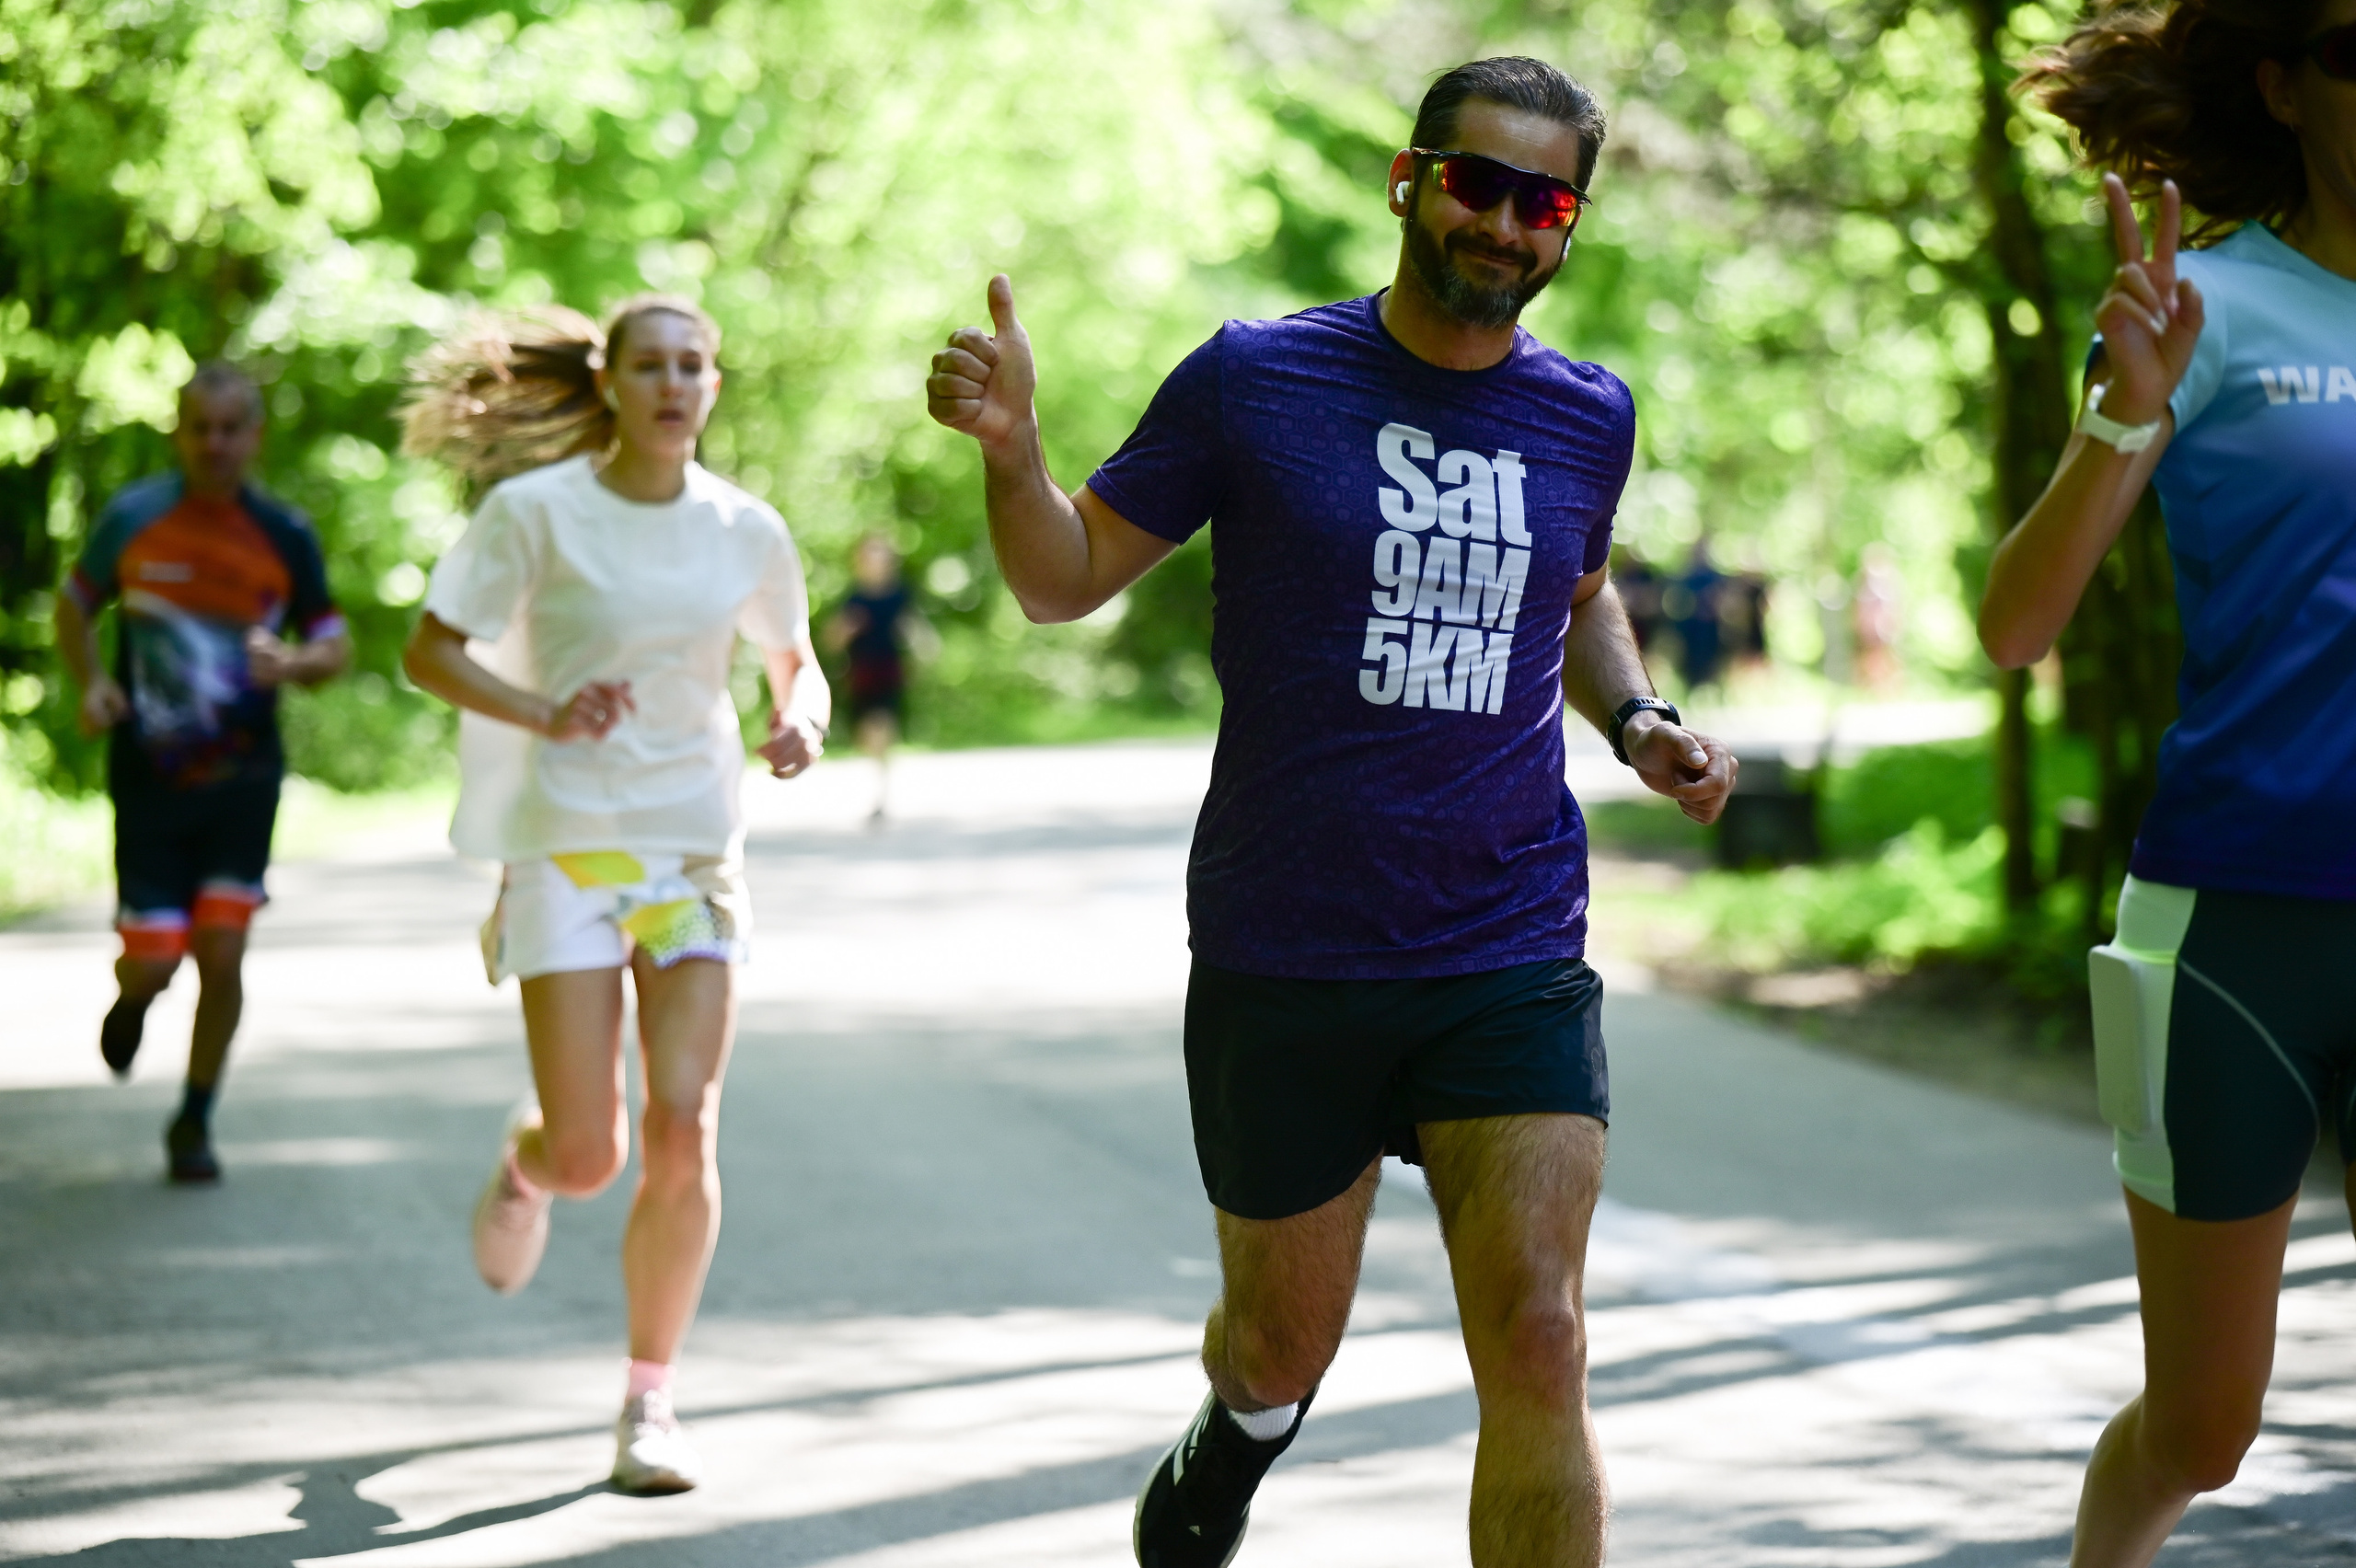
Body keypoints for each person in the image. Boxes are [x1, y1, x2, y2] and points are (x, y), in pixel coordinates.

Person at [927, 55, 1737, 1568]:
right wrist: (1013, 452)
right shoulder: (1255, 380)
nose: (1505, 222)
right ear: (1411, 183)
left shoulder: (1587, 415)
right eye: (1477, 184)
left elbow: (1576, 591)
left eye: (1544, 202)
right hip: (1286, 945)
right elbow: (1060, 576)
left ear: (1569, 225)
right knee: (1280, 1344)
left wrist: (1638, 717)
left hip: (1505, 939)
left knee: (1543, 1332)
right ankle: (1240, 1428)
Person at [1986, 5, 2355, 1563]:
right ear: (2282, 85)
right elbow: (2017, 626)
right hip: (2238, 926)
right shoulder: (2204, 304)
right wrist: (2125, 405)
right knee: (2205, 1425)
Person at [398, 295, 829, 1495]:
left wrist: (799, 721)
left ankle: (650, 1402)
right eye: (650, 365)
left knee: (685, 1127)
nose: (673, 384)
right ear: (610, 381)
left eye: (693, 365)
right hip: (571, 855)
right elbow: (429, 651)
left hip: (689, 859)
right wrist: (544, 712)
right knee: (590, 1154)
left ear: (713, 386)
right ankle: (530, 1162)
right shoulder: (535, 515)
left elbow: (796, 664)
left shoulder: (745, 530)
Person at [53, 362, 350, 1183]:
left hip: (243, 781)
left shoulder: (284, 533)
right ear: (178, 434)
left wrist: (294, 663)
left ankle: (194, 1118)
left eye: (230, 429)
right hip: (148, 775)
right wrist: (93, 683)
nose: (214, 444)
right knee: (154, 959)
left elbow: (334, 644)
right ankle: (134, 999)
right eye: (199, 429)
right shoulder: (134, 519)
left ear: (255, 436)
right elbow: (74, 605)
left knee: (222, 950)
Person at [822, 532, 936, 823]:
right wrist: (845, 630)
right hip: (860, 674)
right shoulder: (854, 597)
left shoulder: (900, 596)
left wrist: (922, 646)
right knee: (866, 733)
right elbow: (831, 641)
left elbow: (915, 628)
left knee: (880, 726)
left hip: (888, 671)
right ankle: (877, 777)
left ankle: (881, 792)